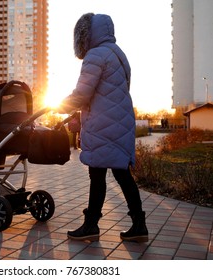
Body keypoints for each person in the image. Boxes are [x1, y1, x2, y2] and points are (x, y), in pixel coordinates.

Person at [58, 13, 148, 243]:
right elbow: (107, 93)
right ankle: (139, 224)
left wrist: (62, 105)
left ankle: (91, 225)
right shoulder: (119, 55)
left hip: (103, 124)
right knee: (121, 173)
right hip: (120, 120)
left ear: (86, 36)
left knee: (97, 174)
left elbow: (83, 93)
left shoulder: (95, 55)